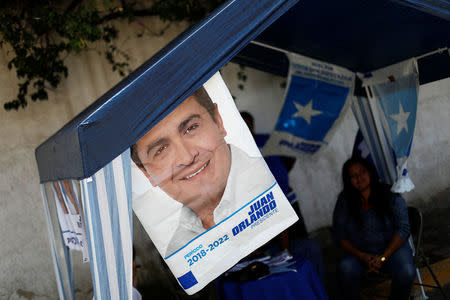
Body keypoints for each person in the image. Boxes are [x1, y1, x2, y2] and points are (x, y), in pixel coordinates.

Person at [131, 87, 274, 256]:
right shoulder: (178, 249)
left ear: (218, 122)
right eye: (161, 149)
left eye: (191, 128)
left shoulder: (272, 185)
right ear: (147, 173)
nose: (187, 157)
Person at [240, 111, 325, 283]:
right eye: (243, 124)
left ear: (254, 126)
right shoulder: (237, 151)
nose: (247, 127)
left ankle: (310, 281)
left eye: (250, 124)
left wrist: (282, 174)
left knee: (303, 246)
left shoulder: (268, 139)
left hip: (288, 201)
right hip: (266, 208)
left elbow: (289, 156)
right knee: (279, 253)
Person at [332, 156, 416, 300]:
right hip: (361, 254)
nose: (359, 178)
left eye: (362, 172)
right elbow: (339, 235)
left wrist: (383, 258)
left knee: (407, 272)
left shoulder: (389, 195)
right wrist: (362, 256)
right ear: (348, 180)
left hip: (392, 250)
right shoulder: (344, 202)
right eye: (353, 176)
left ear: (370, 172)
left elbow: (403, 228)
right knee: (345, 269)